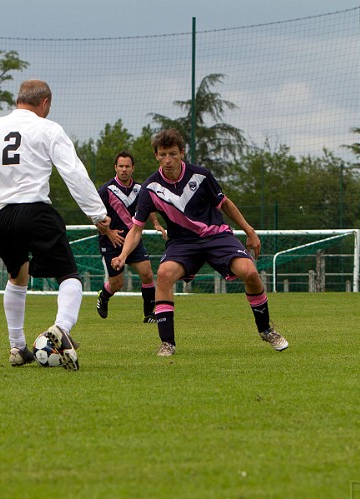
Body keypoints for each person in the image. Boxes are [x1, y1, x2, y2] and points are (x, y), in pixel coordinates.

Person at [0, 79, 111, 371]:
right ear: (44, 103)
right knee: (69, 274)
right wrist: (97, 212)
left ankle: (17, 347)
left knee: (17, 276)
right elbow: (72, 171)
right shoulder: (48, 128)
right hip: (33, 211)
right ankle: (62, 328)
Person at [111, 128, 289, 357]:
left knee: (250, 272)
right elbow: (137, 228)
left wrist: (249, 231)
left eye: (173, 154)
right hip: (182, 243)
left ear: (182, 153)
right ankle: (167, 343)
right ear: (156, 155)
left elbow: (225, 204)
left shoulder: (201, 176)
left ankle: (266, 330)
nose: (168, 160)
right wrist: (123, 255)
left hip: (217, 236)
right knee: (164, 275)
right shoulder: (150, 188)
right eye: (163, 154)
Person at [96, 150, 167, 323]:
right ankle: (104, 296)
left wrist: (156, 223)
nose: (124, 169)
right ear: (116, 167)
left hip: (133, 240)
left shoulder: (140, 189)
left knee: (148, 274)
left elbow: (148, 208)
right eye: (121, 166)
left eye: (127, 166)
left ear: (133, 168)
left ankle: (149, 314)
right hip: (111, 242)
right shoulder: (106, 190)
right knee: (117, 284)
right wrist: (109, 232)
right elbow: (93, 215)